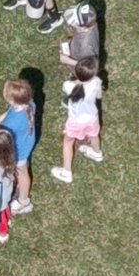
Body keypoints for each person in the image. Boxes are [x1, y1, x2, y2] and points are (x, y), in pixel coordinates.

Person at [51, 56, 103, 184]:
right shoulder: (97, 81)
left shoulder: (68, 85)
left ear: (75, 72)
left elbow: (65, 98)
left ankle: (66, 172)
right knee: (94, 135)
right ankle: (97, 153)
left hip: (75, 121)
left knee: (68, 142)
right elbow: (99, 96)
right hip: (93, 117)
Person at [0, 79, 37, 216]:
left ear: (13, 100)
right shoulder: (29, 104)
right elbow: (10, 112)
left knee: (22, 172)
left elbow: (1, 134)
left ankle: (24, 201)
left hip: (19, 151)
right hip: (27, 141)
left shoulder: (12, 122)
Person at [58, 1, 100, 69]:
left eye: (75, 24)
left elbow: (90, 68)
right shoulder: (91, 22)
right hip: (78, 49)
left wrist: (67, 60)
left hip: (81, 67)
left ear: (82, 27)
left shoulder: (87, 47)